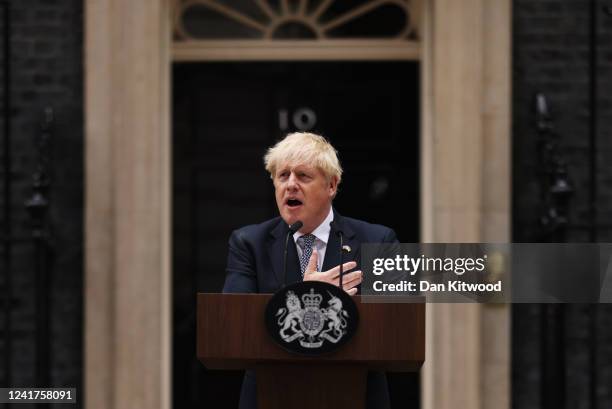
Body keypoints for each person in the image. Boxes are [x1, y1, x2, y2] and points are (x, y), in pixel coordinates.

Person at [223, 132, 398, 409]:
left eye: (303, 176)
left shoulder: (377, 241)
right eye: (283, 176)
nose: (290, 185)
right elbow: (232, 326)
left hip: (352, 395)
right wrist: (304, 294)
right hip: (272, 397)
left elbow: (396, 327)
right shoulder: (248, 242)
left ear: (332, 185)